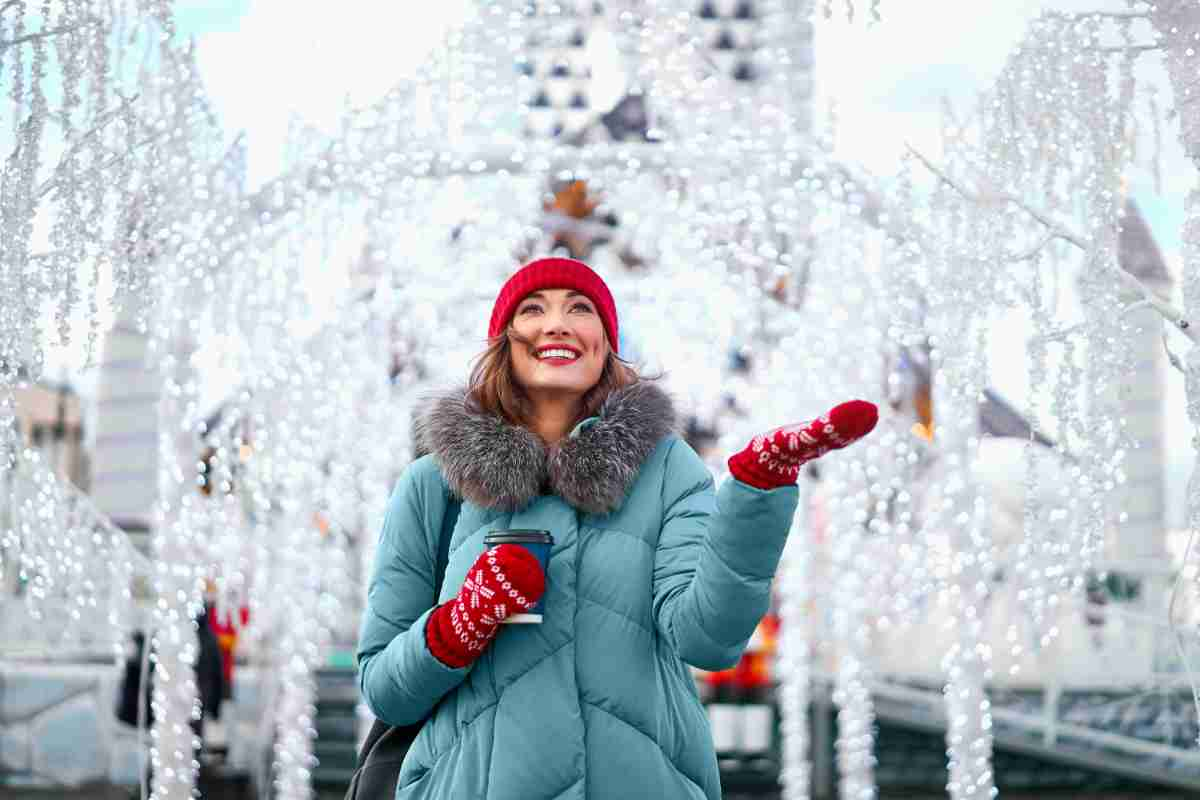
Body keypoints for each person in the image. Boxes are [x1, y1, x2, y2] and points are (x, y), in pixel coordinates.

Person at [356, 256, 878, 799]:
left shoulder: (668, 470)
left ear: (605, 342)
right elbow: (387, 690)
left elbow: (708, 639)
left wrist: (756, 493)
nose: (557, 322)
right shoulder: (432, 486)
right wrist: (462, 622)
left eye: (580, 309)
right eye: (533, 308)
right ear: (504, 342)